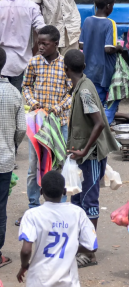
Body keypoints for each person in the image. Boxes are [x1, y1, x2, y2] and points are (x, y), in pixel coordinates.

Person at [63, 49, 119, 267]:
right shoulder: (80, 87)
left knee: (89, 202)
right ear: (84, 67)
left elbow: (99, 123)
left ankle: (90, 251)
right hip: (82, 155)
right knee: (77, 201)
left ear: (65, 69)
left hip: (90, 156)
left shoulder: (85, 91)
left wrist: (85, 150)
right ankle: (81, 246)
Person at [17, 171, 98, 287]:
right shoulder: (77, 212)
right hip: (65, 282)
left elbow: (26, 250)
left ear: (41, 191)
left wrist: (24, 266)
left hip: (39, 280)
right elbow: (91, 246)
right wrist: (70, 247)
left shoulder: (32, 215)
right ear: (65, 191)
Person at [22, 25, 72, 211]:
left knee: (59, 162)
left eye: (45, 44)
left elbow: (71, 92)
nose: (40, 47)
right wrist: (33, 102)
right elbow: (26, 86)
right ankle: (34, 205)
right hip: (37, 123)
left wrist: (57, 108)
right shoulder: (34, 62)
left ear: (56, 44)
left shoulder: (65, 64)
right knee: (34, 165)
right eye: (38, 43)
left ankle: (59, 206)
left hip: (60, 123)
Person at [0, 47, 27, 269]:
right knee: (1, 207)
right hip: (4, 160)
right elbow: (21, 129)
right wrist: (11, 143)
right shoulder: (14, 94)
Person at [79, 0, 123, 125]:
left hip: (88, 69)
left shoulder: (87, 20)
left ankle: (95, 125)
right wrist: (119, 48)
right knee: (112, 98)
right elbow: (109, 48)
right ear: (108, 6)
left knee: (92, 101)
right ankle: (104, 125)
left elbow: (81, 44)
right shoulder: (110, 23)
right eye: (113, 6)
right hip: (104, 70)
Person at [0, 0, 45, 92]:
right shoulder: (31, 6)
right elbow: (42, 30)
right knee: (15, 97)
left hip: (2, 60)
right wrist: (37, 50)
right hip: (20, 62)